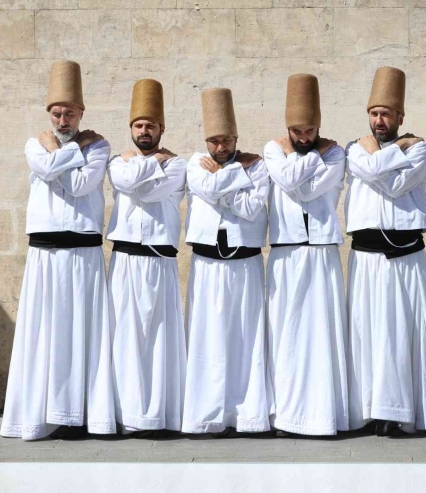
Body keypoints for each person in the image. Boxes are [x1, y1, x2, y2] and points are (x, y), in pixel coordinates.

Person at [1, 60, 115, 441]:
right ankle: (39, 414)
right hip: (45, 254)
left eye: (68, 113)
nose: (62, 119)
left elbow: (82, 186)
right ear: (49, 114)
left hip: (83, 253)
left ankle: (81, 414)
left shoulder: (99, 144)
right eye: (56, 113)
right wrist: (64, 156)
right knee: (44, 332)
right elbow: (45, 168)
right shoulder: (35, 142)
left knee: (83, 332)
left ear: (81, 113)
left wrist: (60, 159)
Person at [345, 66, 426, 436]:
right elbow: (367, 169)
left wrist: (380, 157)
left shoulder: (421, 148)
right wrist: (396, 149)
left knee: (400, 332)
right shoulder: (354, 148)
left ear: (399, 117)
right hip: (365, 258)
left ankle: (399, 411)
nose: (379, 121)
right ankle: (367, 409)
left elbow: (395, 186)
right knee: (368, 331)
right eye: (374, 114)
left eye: (386, 115)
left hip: (404, 257)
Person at [181, 87, 272, 435]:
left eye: (228, 140)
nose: (221, 148)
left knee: (245, 338)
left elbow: (252, 209)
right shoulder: (194, 163)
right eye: (215, 141)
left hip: (245, 263)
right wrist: (237, 177)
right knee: (208, 338)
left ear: (236, 138)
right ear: (207, 141)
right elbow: (206, 188)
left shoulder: (258, 166)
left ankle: (246, 414)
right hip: (207, 264)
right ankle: (206, 414)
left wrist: (223, 183)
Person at [263, 74, 349, 436]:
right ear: (287, 128)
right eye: (296, 131)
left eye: (310, 130)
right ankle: (286, 415)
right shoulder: (273, 149)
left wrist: (302, 161)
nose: (303, 137)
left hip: (322, 252)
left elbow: (312, 189)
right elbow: (286, 182)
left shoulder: (338, 152)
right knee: (287, 333)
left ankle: (323, 414)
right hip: (285, 253)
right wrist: (315, 156)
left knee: (321, 333)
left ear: (319, 126)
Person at [106, 79, 187, 436]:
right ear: (131, 129)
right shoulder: (116, 161)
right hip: (124, 259)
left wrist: (143, 168)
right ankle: (126, 414)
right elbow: (127, 185)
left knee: (158, 337)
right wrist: (153, 163)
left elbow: (153, 191)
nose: (143, 131)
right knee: (124, 337)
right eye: (138, 126)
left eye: (150, 126)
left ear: (161, 129)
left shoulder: (179, 164)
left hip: (159, 260)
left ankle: (159, 415)